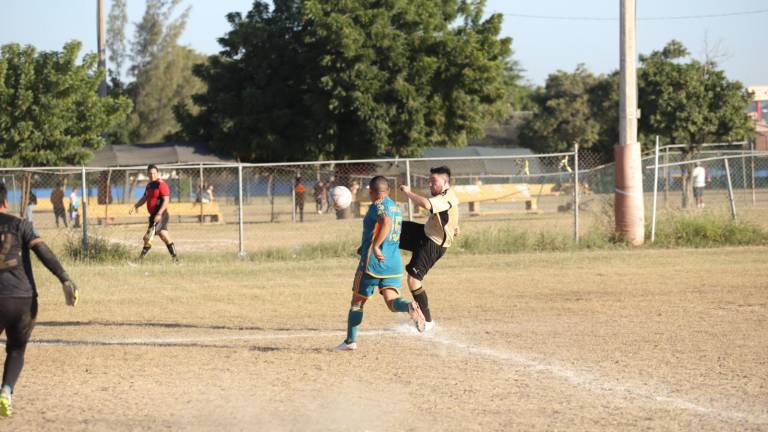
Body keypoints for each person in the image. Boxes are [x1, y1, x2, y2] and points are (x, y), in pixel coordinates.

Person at [0, 183, 79, 417]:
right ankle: (6, 391)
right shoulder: (20, 224)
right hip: (23, 300)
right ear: (5, 202)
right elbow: (43, 251)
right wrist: (64, 278)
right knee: (16, 349)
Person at [335, 176, 425, 351]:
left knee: (357, 302)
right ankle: (409, 306)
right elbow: (384, 226)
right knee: (392, 302)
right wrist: (365, 245)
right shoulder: (395, 207)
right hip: (393, 262)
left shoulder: (379, 205)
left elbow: (385, 222)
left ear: (371, 192)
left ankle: (350, 341)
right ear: (388, 191)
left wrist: (375, 247)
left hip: (373, 264)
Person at [398, 166, 460, 332]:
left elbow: (426, 204)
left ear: (445, 182)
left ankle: (428, 321)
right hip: (425, 234)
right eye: (429, 181)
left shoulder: (447, 196)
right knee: (396, 228)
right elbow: (451, 215)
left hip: (433, 244)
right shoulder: (446, 196)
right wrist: (454, 227)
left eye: (434, 182)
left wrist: (408, 192)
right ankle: (372, 250)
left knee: (413, 280)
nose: (430, 185)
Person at [129, 165, 178, 262]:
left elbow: (166, 200)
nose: (152, 175)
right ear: (148, 174)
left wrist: (159, 214)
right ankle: (175, 259)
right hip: (153, 216)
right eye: (150, 173)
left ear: (158, 173)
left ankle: (140, 259)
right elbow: (145, 198)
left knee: (149, 236)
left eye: (154, 173)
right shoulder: (149, 185)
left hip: (161, 214)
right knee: (164, 236)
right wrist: (136, 206)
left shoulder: (161, 185)